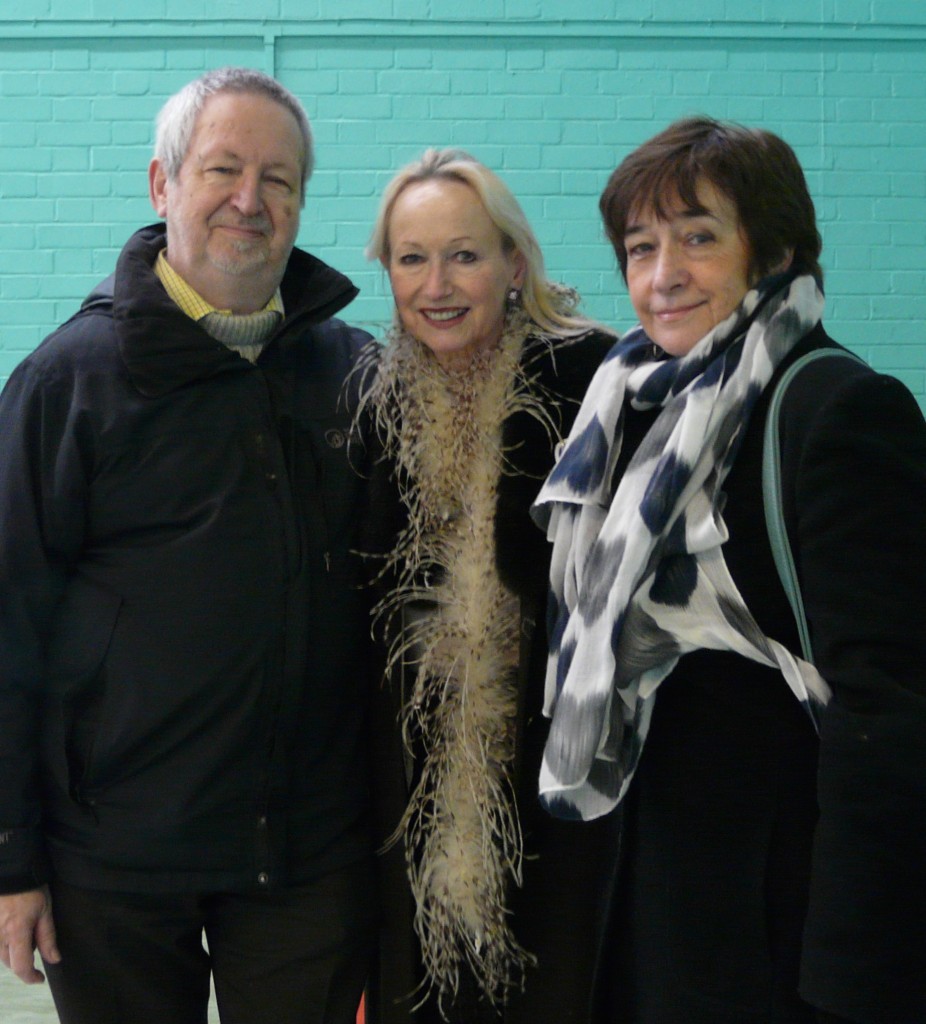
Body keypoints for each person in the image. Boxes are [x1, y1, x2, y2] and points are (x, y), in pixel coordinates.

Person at [0, 67, 375, 1024]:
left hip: (306, 854)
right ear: (163, 185)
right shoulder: (67, 382)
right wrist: (12, 856)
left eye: (279, 180)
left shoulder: (354, 372)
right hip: (115, 858)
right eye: (223, 170)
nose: (251, 201)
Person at [532, 116, 926, 1023]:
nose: (662, 274)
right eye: (641, 247)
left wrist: (848, 977)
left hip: (778, 914)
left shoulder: (835, 410)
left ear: (776, 250)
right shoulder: (627, 413)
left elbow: (890, 712)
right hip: (653, 892)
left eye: (698, 238)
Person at [355, 149, 614, 1024]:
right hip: (409, 802)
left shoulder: (599, 386)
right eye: (411, 257)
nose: (438, 284)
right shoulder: (369, 402)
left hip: (563, 792)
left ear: (515, 262)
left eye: (464, 253)